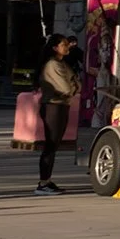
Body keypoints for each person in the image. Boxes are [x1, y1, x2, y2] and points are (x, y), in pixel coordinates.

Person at [35, 35, 82, 194]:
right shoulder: (53, 65)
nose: (67, 47)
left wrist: (74, 86)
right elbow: (67, 88)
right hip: (53, 107)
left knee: (53, 145)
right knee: (51, 145)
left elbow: (77, 83)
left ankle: (46, 180)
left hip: (61, 106)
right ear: (55, 47)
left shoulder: (62, 63)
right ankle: (43, 182)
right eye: (64, 44)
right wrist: (74, 87)